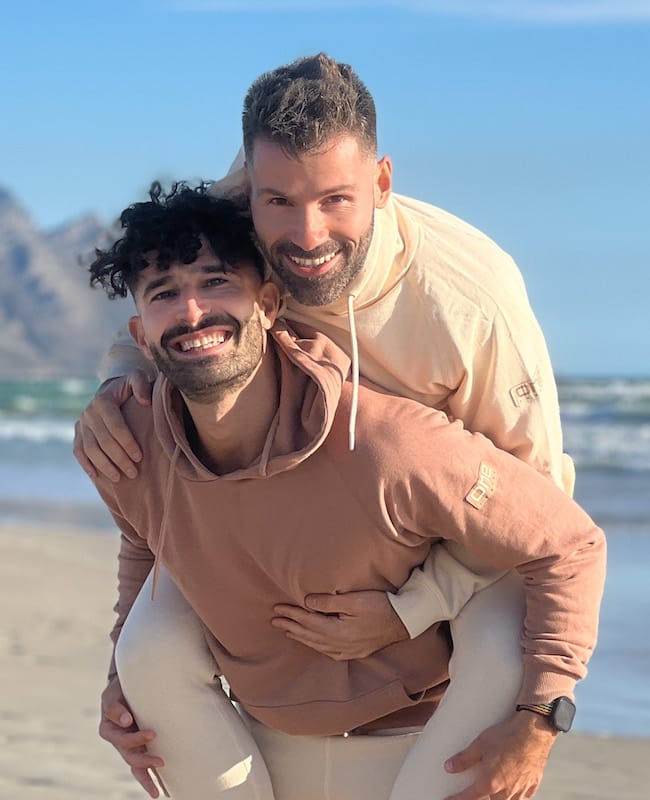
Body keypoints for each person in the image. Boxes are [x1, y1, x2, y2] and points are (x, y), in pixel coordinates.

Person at [75, 54, 576, 798]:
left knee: (504, 641)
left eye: (336, 200)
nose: (306, 235)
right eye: (278, 200)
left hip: (454, 521)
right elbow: (166, 299)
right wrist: (120, 388)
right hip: (310, 506)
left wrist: (413, 610)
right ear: (249, 187)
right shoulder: (242, 214)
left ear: (380, 182)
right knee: (147, 647)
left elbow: (543, 507)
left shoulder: (471, 303)